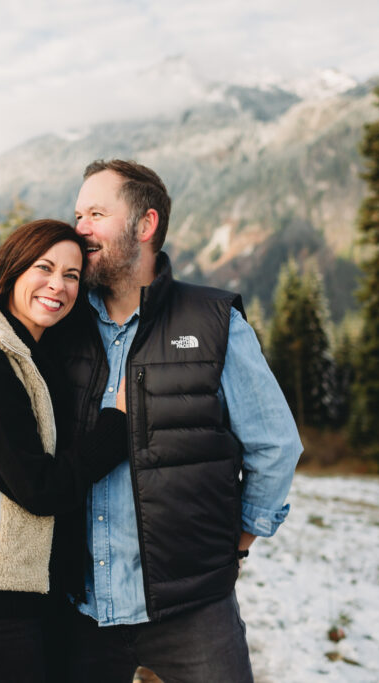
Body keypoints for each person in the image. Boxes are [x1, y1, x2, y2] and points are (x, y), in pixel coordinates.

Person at [44, 160, 303, 682]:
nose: (80, 229)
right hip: (81, 608)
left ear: (145, 225)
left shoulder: (213, 323)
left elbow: (275, 445)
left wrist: (239, 543)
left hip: (194, 610)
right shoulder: (61, 324)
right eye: (78, 214)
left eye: (97, 213)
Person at [0, 219, 129, 683]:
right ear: (12, 270)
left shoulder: (31, 355)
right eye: (45, 267)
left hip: (33, 589)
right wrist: (118, 423)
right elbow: (39, 488)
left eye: (72, 275)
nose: (58, 285)